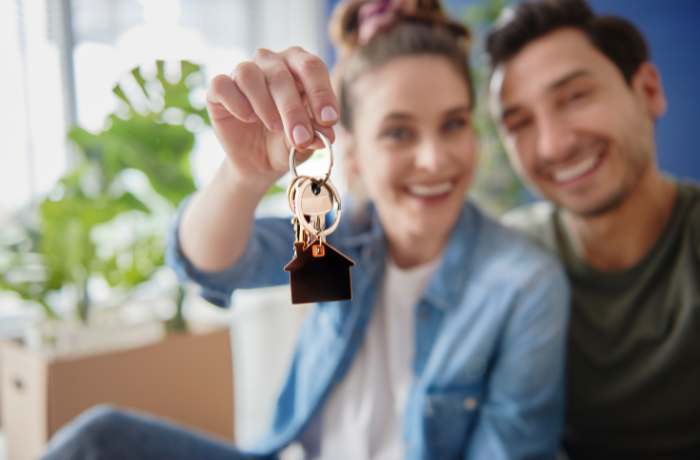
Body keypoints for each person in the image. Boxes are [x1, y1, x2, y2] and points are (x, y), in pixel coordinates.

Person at [41, 1, 569, 459]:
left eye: (454, 124)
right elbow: (208, 262)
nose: (434, 160)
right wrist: (243, 177)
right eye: (399, 132)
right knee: (98, 439)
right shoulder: (343, 240)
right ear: (355, 154)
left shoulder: (521, 285)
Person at [486, 0, 700, 459]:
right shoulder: (505, 257)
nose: (554, 145)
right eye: (519, 123)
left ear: (647, 90)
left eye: (575, 97)